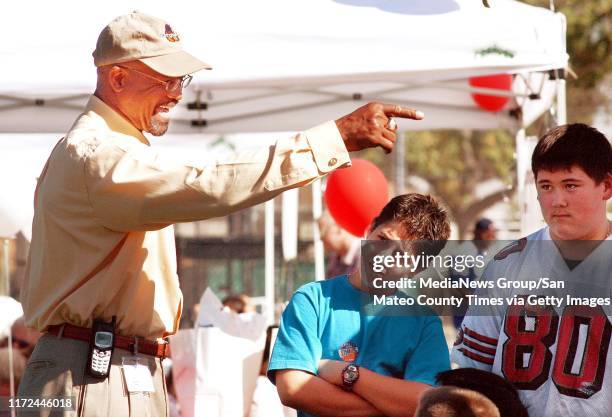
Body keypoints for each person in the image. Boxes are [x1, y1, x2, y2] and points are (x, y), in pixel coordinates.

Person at [18, 11, 424, 417]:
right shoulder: (97, 154)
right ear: (119, 78)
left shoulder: (105, 151)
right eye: (166, 79)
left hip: (104, 367)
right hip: (94, 371)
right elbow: (208, 184)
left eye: (182, 80)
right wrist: (328, 141)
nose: (177, 93)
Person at [452, 123, 612, 417]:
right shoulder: (508, 263)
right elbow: (471, 374)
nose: (557, 200)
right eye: (546, 186)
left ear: (606, 186)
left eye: (571, 185)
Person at [268, 194, 451, 417]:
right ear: (369, 229)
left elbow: (426, 401)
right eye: (383, 239)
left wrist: (346, 373)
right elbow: (292, 388)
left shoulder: (425, 322)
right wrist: (389, 406)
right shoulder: (311, 300)